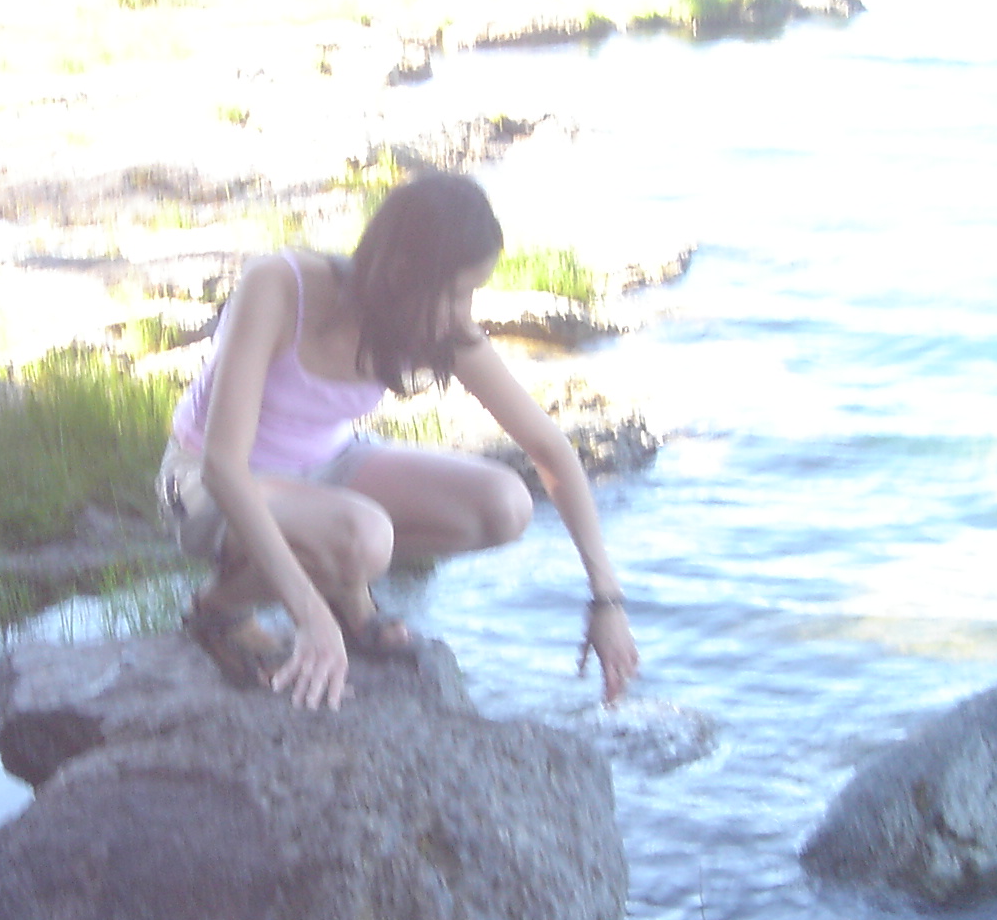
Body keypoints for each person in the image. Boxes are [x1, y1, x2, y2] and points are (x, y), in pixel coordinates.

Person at [161, 170, 639, 711]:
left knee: (506, 505)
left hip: (328, 466)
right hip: (203, 480)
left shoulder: (435, 326)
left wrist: (607, 600)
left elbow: (549, 449)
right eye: (456, 293)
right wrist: (309, 617)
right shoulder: (279, 286)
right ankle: (221, 610)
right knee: (366, 537)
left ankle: (345, 588)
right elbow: (223, 465)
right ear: (402, 272)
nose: (465, 314)